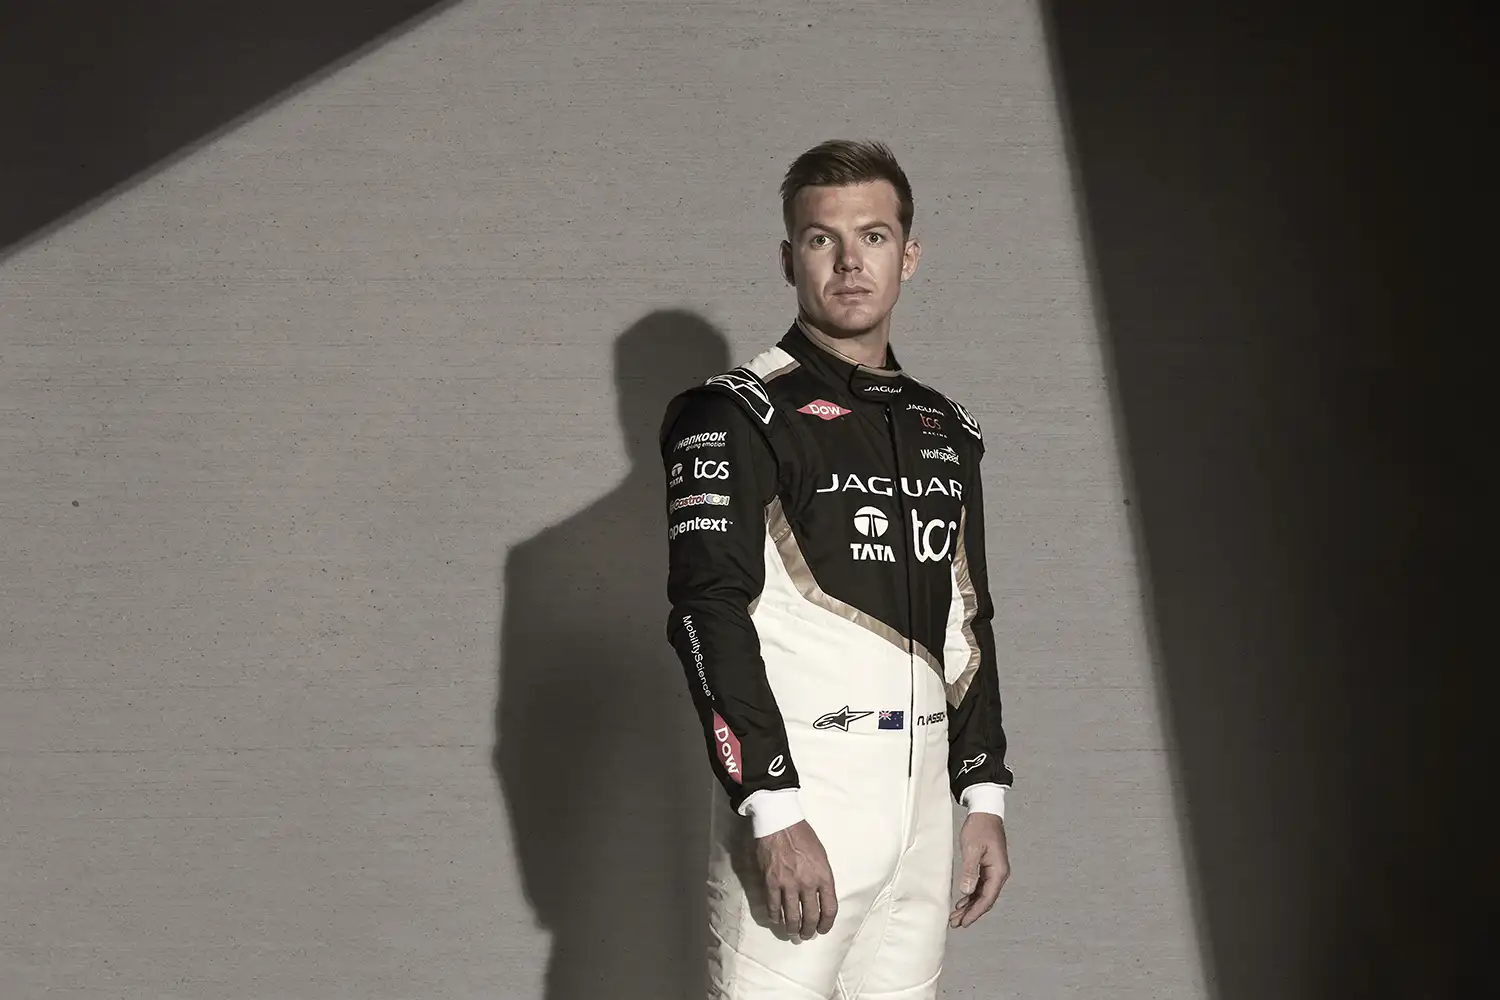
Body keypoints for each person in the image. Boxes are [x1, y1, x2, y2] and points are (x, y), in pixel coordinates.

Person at [659, 139, 1015, 999]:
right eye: (824, 239)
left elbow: (966, 620)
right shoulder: (734, 411)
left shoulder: (945, 427)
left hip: (923, 813)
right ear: (790, 259)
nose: (851, 262)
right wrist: (772, 809)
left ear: (909, 255)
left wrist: (983, 797)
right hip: (808, 796)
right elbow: (707, 612)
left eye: (874, 237)